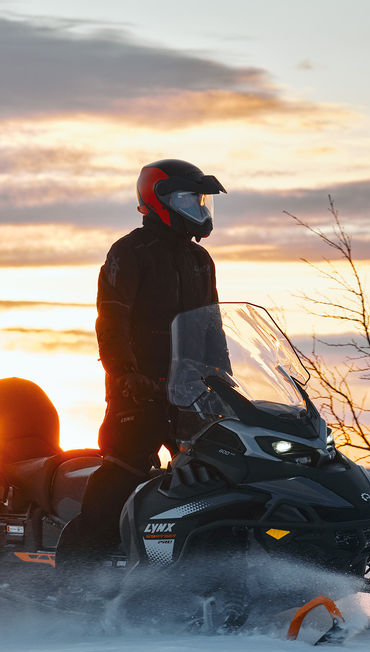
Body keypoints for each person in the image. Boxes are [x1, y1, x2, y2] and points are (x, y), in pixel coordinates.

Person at [57, 158, 227, 566]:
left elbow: (212, 328)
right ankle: (79, 572)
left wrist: (224, 382)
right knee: (124, 470)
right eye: (190, 199)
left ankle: (210, 559)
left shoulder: (200, 261)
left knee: (216, 473)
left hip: (191, 394)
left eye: (201, 200)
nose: (199, 209)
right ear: (159, 200)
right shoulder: (130, 252)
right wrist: (125, 374)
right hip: (139, 392)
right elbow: (111, 319)